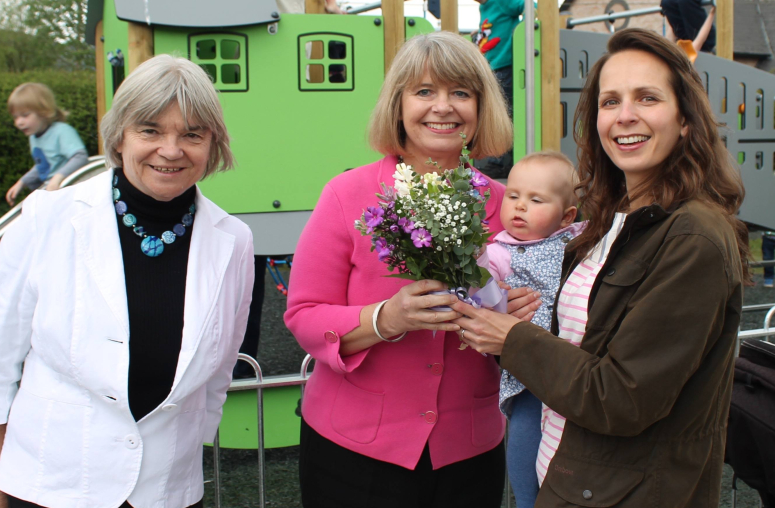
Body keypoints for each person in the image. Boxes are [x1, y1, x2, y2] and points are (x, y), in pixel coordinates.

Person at [450, 28, 748, 506]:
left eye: (647, 98)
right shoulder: (609, 222)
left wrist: (511, 338)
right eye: (610, 102)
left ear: (686, 119)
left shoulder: (693, 237)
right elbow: (583, 342)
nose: (625, 115)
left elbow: (623, 397)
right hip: (572, 477)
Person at [0, 55, 255, 508]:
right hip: (48, 489)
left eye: (192, 134)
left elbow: (216, 376)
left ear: (213, 145)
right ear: (119, 136)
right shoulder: (49, 218)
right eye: (150, 130)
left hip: (165, 493)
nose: (172, 149)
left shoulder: (233, 241)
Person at [284, 31, 541, 508]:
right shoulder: (346, 195)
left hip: (467, 452)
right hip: (352, 451)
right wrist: (386, 319)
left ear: (481, 108)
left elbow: (534, 326)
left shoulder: (508, 207)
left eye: (460, 93)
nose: (442, 107)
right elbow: (304, 314)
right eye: (424, 91)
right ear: (397, 105)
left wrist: (519, 320)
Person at [477, 151, 584, 508]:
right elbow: (479, 289)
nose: (520, 207)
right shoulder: (499, 253)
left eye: (535, 200)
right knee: (525, 441)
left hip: (579, 367)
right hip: (529, 372)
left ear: (566, 215)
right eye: (512, 195)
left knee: (574, 457)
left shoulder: (580, 242)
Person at [458, 0, 528, 179]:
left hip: (506, 64)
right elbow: (495, 28)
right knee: (492, 109)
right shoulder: (485, 6)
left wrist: (523, 31)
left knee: (502, 112)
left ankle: (500, 161)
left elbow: (530, 8)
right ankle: (495, 158)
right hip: (493, 66)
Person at [5, 83, 89, 206]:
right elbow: (43, 165)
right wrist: (22, 182)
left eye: (25, 115)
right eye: (15, 117)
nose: (19, 122)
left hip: (69, 194)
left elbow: (80, 157)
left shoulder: (61, 131)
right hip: (51, 194)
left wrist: (58, 178)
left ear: (43, 111)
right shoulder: (34, 136)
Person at [660, 0, 739, 61]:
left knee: (667, 2)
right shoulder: (687, 59)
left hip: (684, 37)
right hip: (704, 41)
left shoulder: (670, 55)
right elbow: (699, 40)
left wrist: (669, 14)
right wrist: (713, 12)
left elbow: (670, 37)